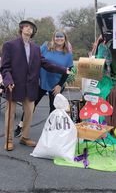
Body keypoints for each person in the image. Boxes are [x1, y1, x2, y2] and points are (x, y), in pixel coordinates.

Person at [1, 19, 71, 151]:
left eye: (31, 28)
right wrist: (8, 80)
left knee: (29, 112)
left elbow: (45, 64)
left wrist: (63, 70)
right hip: (14, 85)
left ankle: (25, 137)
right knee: (10, 114)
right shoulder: (10, 45)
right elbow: (4, 67)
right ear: (21, 29)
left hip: (31, 86)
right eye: (26, 26)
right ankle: (9, 140)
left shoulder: (36, 48)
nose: (28, 29)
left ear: (33, 32)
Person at [14, 29, 74, 138]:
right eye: (57, 36)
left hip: (56, 85)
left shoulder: (68, 54)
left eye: (61, 37)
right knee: (31, 106)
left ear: (65, 39)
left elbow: (68, 71)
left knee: (53, 108)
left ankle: (49, 131)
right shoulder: (45, 47)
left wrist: (60, 85)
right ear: (53, 38)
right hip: (41, 82)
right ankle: (21, 126)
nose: (59, 39)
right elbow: (35, 59)